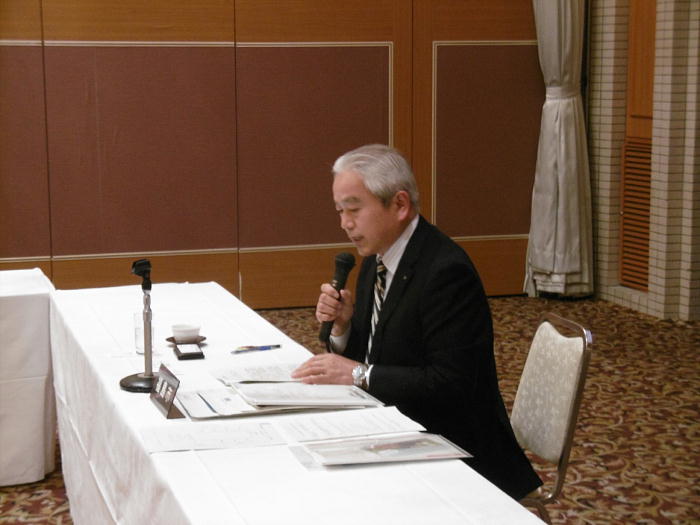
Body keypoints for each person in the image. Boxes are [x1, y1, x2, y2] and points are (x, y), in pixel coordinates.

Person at [292, 144, 542, 500]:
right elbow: (374, 355)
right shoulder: (376, 259)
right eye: (340, 211)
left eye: (354, 209)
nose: (345, 223)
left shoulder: (445, 272)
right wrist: (344, 327)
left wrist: (358, 374)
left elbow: (451, 383)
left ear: (399, 205)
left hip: (454, 447)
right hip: (395, 422)